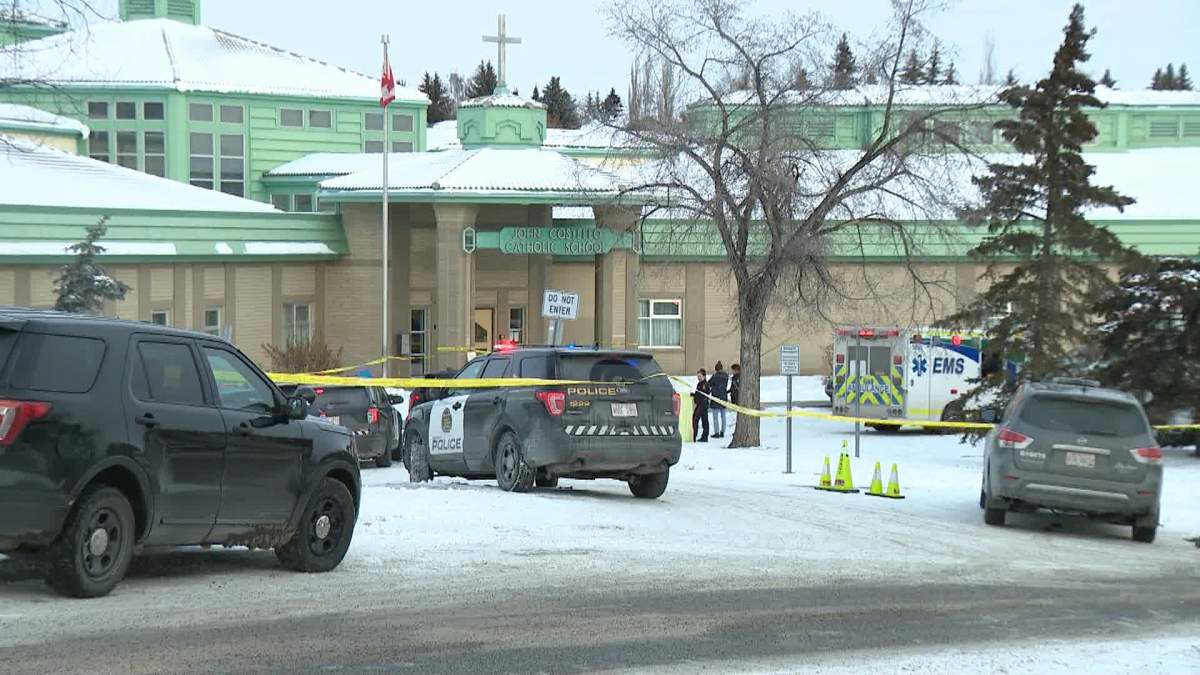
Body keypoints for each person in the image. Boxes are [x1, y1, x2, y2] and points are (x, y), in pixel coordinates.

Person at [708, 361, 730, 439]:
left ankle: (716, 432)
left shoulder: (715, 376)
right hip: (723, 397)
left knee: (715, 417)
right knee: (723, 416)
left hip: (715, 398)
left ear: (716, 369)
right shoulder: (726, 376)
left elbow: (709, 384)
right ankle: (722, 432)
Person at [691, 369, 711, 442]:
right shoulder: (700, 383)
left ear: (704, 376)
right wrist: (694, 395)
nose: (698, 378)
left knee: (695, 418)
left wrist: (697, 396)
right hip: (700, 404)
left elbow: (705, 393)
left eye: (699, 376)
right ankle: (704, 436)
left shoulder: (705, 384)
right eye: (697, 376)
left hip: (703, 404)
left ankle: (695, 436)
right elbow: (699, 393)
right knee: (704, 420)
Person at [728, 363, 741, 435]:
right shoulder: (733, 378)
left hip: (738, 398)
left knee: (740, 416)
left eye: (733, 370)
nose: (732, 372)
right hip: (734, 397)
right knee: (738, 415)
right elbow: (732, 388)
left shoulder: (739, 377)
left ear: (736, 370)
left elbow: (738, 387)